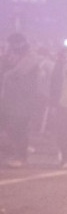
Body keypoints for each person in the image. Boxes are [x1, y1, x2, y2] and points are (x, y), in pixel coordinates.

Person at [0, 33, 41, 167]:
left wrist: (7, 71)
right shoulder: (11, 56)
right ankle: (17, 148)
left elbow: (17, 72)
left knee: (20, 126)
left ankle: (21, 155)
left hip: (24, 99)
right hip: (10, 99)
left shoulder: (30, 57)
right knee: (7, 124)